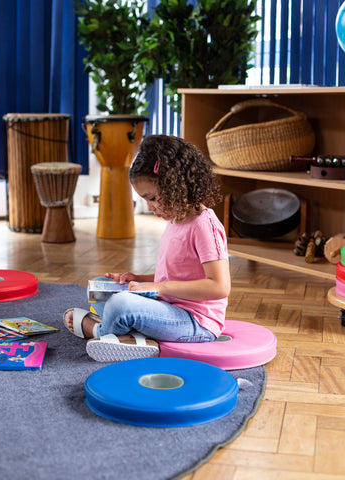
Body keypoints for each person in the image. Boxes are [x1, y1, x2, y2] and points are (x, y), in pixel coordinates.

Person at [63, 134, 231, 362]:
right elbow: (175, 276)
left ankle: (99, 332)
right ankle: (126, 331)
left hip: (196, 322)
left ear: (176, 185)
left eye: (152, 198)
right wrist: (139, 279)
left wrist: (160, 288)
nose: (150, 207)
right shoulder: (176, 221)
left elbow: (219, 286)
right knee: (103, 287)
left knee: (121, 305)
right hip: (168, 306)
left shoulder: (204, 226)